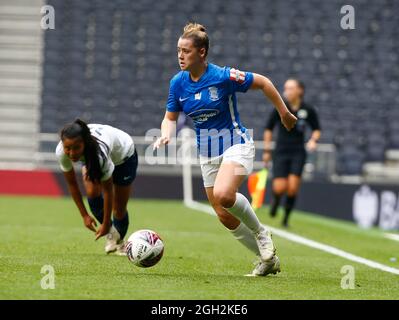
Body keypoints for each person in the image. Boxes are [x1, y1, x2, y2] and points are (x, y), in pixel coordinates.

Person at [154, 23, 297, 276]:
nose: (180, 56)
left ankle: (262, 233)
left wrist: (284, 112)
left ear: (202, 53)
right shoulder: (177, 83)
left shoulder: (223, 76)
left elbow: (263, 82)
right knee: (224, 215)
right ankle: (267, 260)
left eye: (186, 51)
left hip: (235, 143)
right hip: (206, 153)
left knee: (224, 195)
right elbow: (170, 117)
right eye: (178, 50)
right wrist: (166, 134)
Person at [55, 119, 138, 254]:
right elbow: (72, 184)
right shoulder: (61, 152)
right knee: (92, 192)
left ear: (84, 144)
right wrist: (85, 215)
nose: (72, 153)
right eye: (68, 148)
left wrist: (105, 224)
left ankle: (119, 242)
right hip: (91, 157)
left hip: (124, 156)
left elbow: (107, 191)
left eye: (76, 148)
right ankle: (114, 237)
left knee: (119, 209)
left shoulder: (99, 156)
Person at [263, 79, 321, 227]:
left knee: (293, 187)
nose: (286, 91)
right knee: (280, 187)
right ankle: (275, 201)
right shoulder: (281, 107)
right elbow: (268, 129)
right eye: (285, 88)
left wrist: (313, 140)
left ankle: (286, 219)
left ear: (299, 90)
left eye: (290, 88)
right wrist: (267, 150)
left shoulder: (308, 109)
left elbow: (316, 129)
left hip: (298, 151)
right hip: (281, 151)